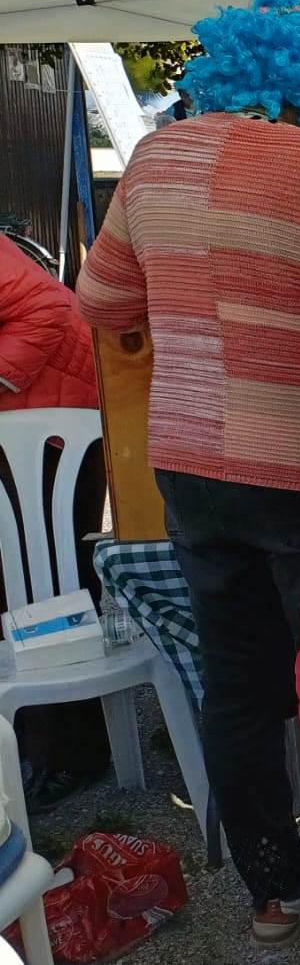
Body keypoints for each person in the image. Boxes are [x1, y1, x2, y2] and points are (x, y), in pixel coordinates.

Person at [75, 0, 300, 960]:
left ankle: (273, 894)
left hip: (190, 460)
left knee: (235, 685)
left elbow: (102, 303)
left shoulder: (155, 159)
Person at [0, 239, 112, 809]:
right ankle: (31, 742)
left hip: (54, 423)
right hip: (27, 416)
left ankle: (69, 753)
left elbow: (43, 308)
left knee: (48, 587)